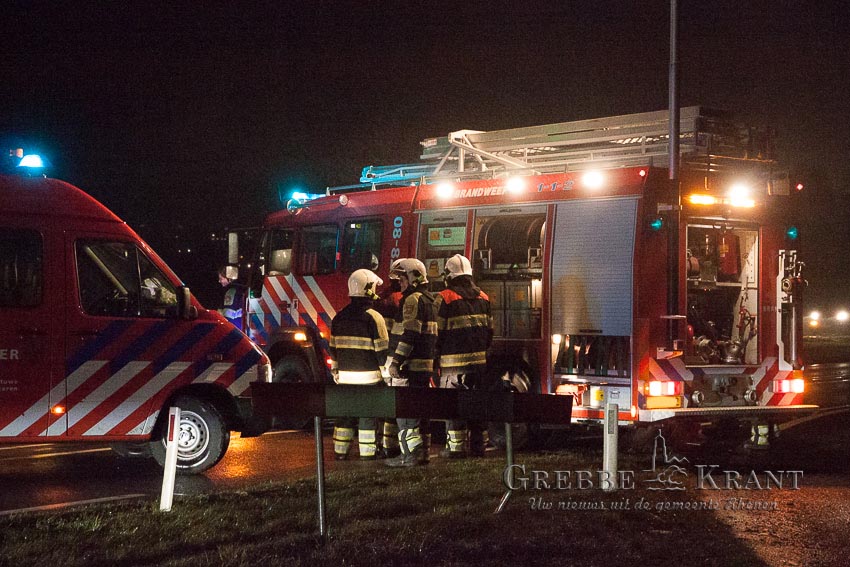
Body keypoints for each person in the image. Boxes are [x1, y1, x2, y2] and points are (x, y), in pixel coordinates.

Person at [435, 254, 493, 458]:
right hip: (478, 365)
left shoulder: (445, 298)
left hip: (452, 367)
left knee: (453, 408)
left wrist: (435, 360)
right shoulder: (484, 297)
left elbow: (437, 333)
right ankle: (479, 448)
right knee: (477, 407)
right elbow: (489, 332)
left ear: (449, 276)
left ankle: (456, 449)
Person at [328, 269, 389, 461]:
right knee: (367, 415)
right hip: (369, 378)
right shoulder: (374, 317)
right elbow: (382, 351)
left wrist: (336, 371)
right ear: (368, 289)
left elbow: (333, 349)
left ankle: (340, 452)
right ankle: (368, 453)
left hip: (345, 378)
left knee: (344, 416)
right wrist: (386, 375)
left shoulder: (339, 317)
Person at [384, 258, 438, 467]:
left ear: (414, 277)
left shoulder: (412, 300)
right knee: (420, 411)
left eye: (403, 278)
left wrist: (396, 361)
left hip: (410, 368)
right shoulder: (429, 299)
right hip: (423, 368)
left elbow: (410, 335)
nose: (401, 283)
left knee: (406, 414)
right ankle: (422, 453)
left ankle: (409, 456)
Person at [372, 257, 406, 458]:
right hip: (395, 359)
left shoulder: (381, 299)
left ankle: (385, 445)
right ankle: (392, 446)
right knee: (394, 407)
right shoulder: (403, 300)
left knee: (384, 407)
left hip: (383, 360)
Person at [218, 266, 245, 331]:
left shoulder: (231, 292)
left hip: (231, 328)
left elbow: (228, 314)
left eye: (221, 279)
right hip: (238, 328)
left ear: (229, 279)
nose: (219, 281)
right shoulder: (238, 290)